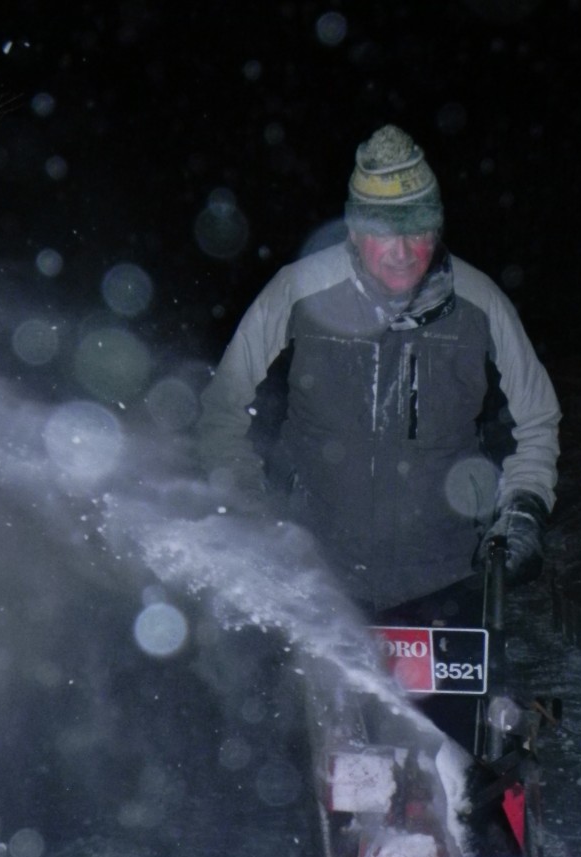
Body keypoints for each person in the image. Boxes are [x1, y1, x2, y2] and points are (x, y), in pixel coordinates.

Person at [197, 125, 560, 625]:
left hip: (447, 580)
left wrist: (521, 512)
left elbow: (538, 420)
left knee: (453, 707)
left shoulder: (482, 303)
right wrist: (250, 511)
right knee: (310, 703)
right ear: (353, 230)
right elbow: (223, 408)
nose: (403, 251)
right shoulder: (297, 291)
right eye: (384, 232)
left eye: (419, 229)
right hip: (313, 577)